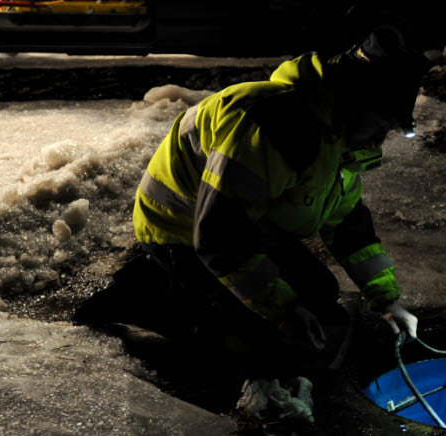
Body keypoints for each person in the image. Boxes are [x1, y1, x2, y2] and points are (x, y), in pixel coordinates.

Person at [79, 29, 426, 378]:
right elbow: (218, 237)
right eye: (382, 123)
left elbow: (348, 224)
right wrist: (283, 313)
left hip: (246, 225)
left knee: (320, 294)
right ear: (354, 101)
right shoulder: (277, 124)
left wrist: (385, 300)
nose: (381, 139)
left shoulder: (337, 136)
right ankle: (145, 296)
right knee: (257, 343)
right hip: (179, 230)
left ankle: (190, 290)